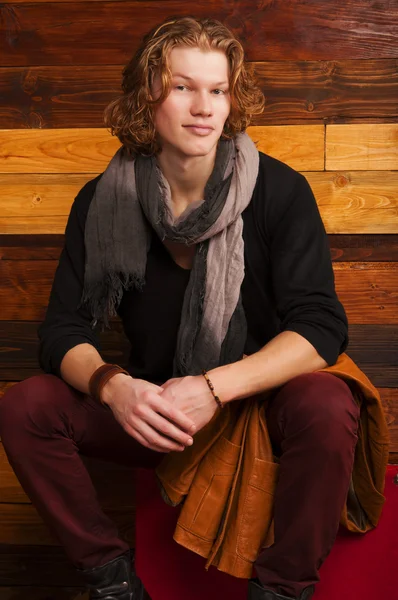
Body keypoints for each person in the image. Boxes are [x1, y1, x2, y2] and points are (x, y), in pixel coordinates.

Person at [0, 16, 364, 600]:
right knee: (26, 406)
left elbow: (321, 328)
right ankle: (112, 583)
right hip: (159, 413)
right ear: (147, 95)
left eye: (217, 90)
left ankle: (284, 589)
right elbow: (63, 329)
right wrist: (116, 388)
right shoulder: (103, 199)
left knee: (327, 400)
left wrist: (215, 387)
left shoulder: (278, 190)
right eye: (182, 87)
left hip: (256, 407)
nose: (204, 107)